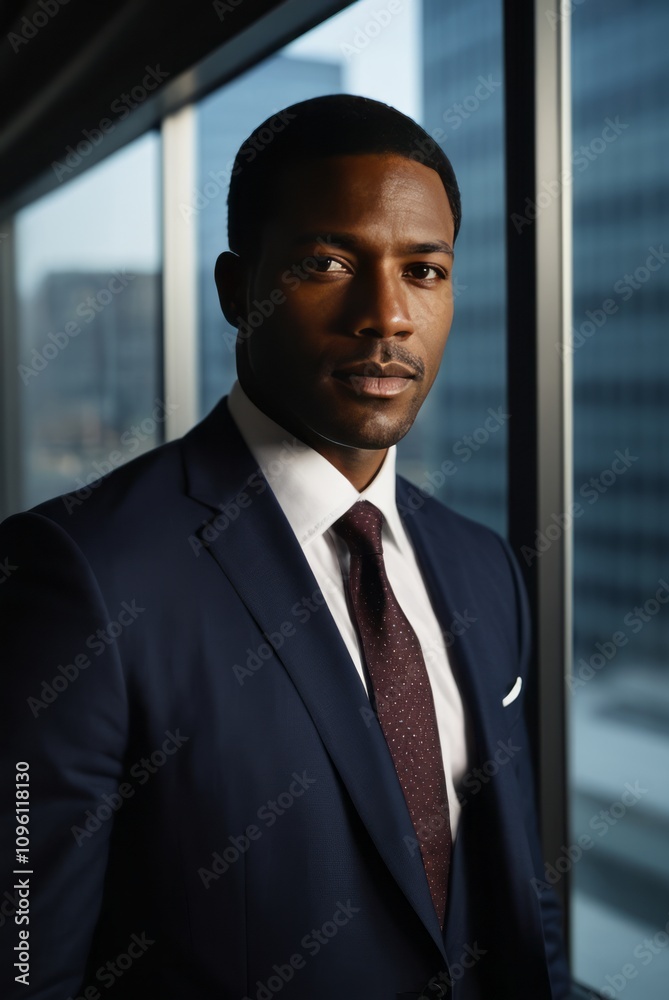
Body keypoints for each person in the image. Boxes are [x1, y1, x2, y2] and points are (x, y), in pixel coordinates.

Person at [0, 94, 569, 999]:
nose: (385, 316)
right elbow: (23, 961)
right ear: (236, 290)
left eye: (424, 270)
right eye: (328, 262)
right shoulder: (83, 576)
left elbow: (516, 898)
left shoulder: (483, 567)